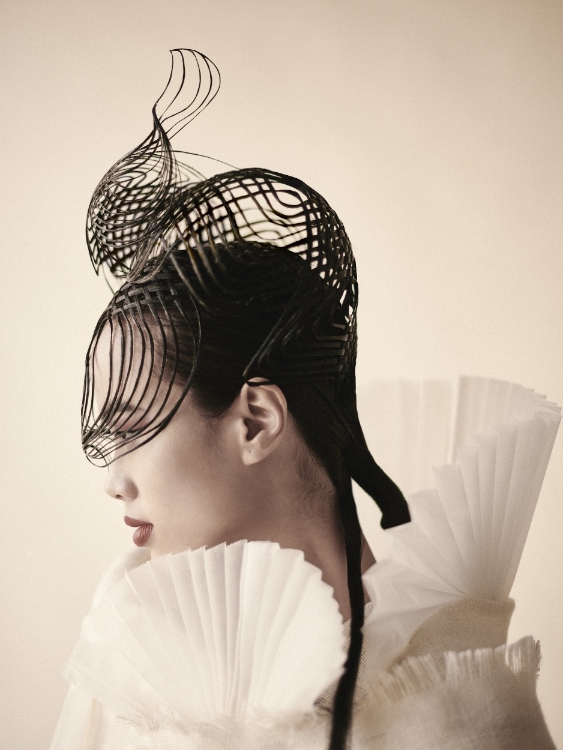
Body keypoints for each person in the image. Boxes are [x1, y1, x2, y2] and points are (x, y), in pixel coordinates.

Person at [49, 50, 560, 750]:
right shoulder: (131, 642)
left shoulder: (456, 703)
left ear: (255, 421)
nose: (114, 481)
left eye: (136, 425)